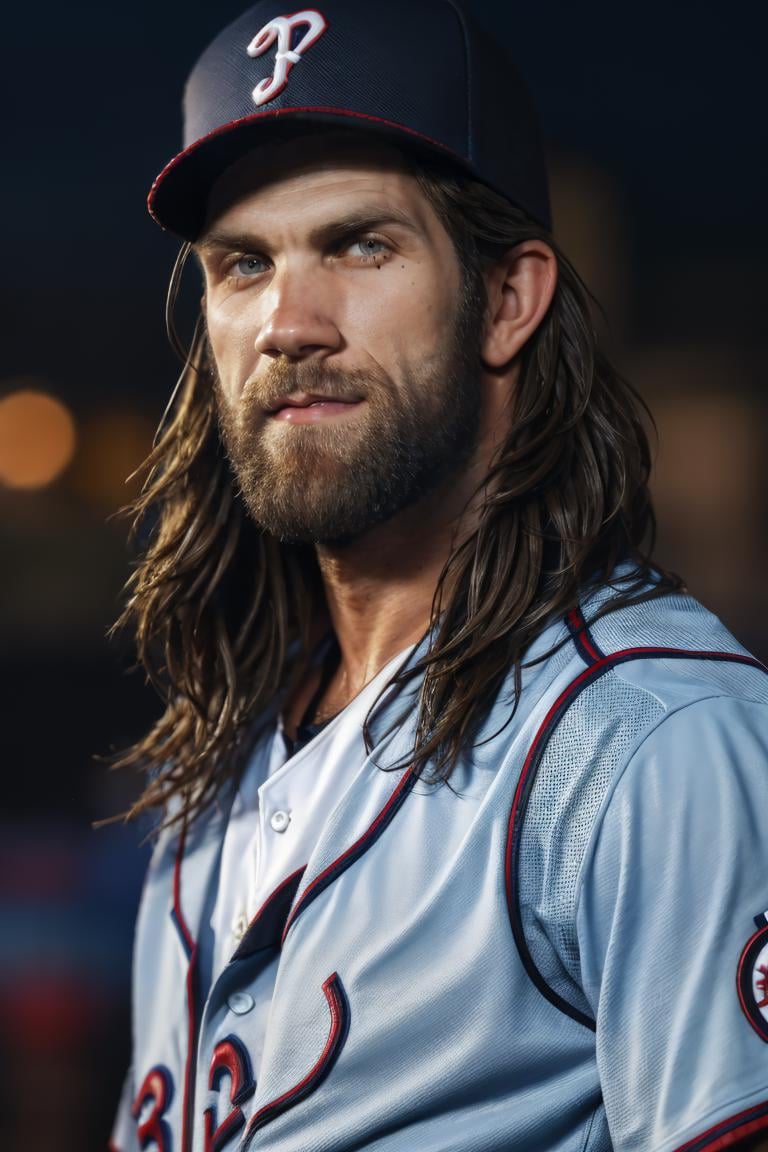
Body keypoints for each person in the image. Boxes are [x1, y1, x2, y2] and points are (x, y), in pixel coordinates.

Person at [109, 2, 768, 1149]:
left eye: (363, 244)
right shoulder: (211, 778)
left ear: (508, 299)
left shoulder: (661, 744)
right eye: (243, 264)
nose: (288, 323)